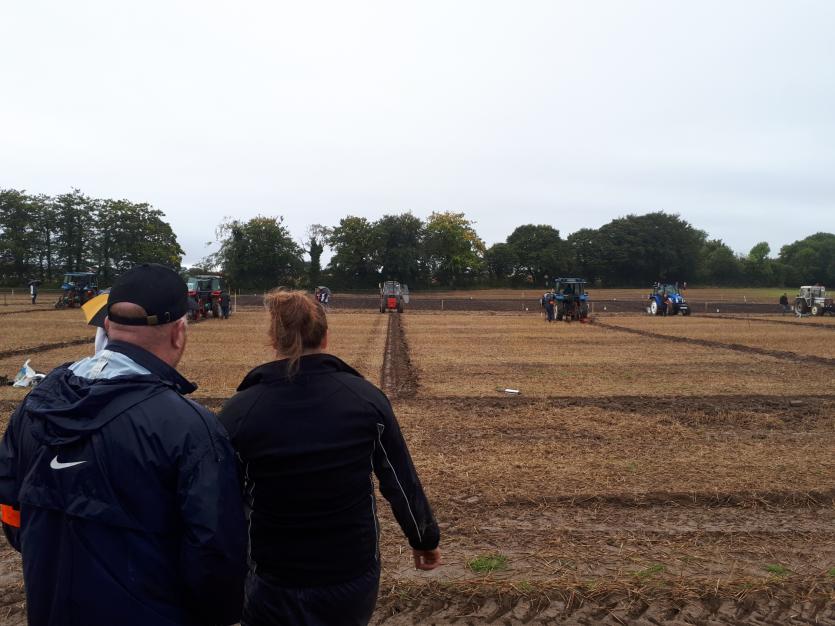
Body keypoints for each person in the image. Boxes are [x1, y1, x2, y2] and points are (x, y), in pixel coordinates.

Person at [0, 263, 247, 626]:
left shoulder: (35, 407)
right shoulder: (190, 429)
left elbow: (12, 514)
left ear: (106, 326)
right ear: (179, 332)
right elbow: (215, 556)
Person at [219, 289, 441, 626]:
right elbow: (399, 480)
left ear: (273, 339)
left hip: (273, 578)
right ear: (325, 337)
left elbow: (224, 502)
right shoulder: (366, 400)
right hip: (351, 574)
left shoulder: (239, 412)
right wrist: (424, 540)